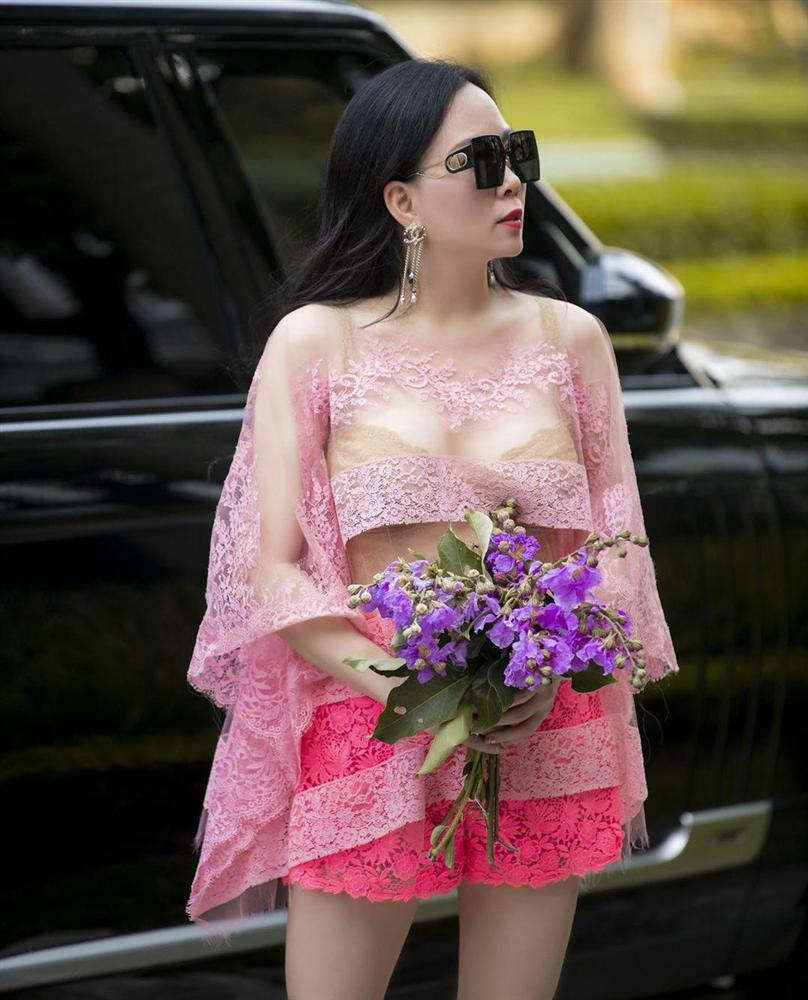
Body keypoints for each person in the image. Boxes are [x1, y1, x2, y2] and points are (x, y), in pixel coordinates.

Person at [185, 58, 679, 1000]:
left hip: (540, 714)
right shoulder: (317, 342)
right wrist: (408, 689)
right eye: (480, 161)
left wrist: (551, 668)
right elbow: (272, 569)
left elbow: (618, 546)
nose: (511, 180)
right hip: (370, 713)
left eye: (517, 154)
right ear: (401, 200)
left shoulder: (572, 340)